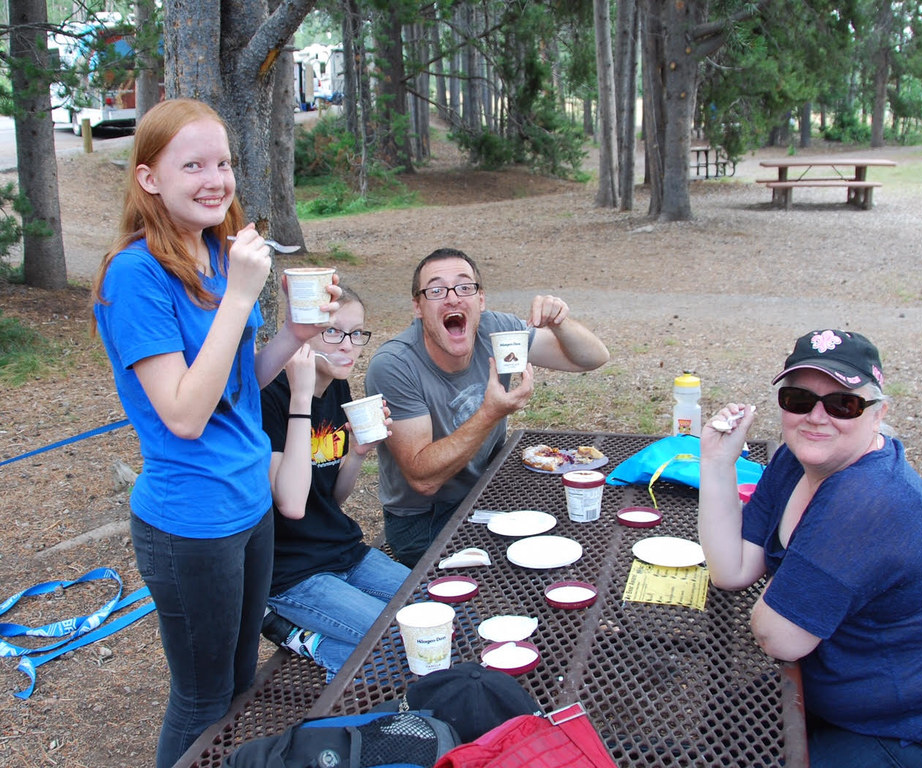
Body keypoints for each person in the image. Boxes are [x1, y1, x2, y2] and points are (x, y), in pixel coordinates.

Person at [92, 98, 338, 768]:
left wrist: (292, 336)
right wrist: (239, 298)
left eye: (223, 163)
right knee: (202, 700)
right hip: (190, 522)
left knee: (238, 686)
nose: (215, 178)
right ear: (149, 179)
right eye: (192, 163)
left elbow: (230, 391)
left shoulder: (216, 256)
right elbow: (182, 413)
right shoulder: (135, 275)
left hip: (248, 504)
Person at [698, 329, 922, 768]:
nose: (816, 417)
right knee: (724, 727)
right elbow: (731, 569)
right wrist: (717, 463)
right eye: (798, 399)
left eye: (843, 404)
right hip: (857, 695)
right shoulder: (795, 460)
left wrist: (794, 580)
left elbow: (777, 636)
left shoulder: (870, 499)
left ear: (878, 414)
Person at [364, 247, 610, 566]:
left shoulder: (497, 332)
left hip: (489, 488)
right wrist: (491, 413)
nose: (453, 298)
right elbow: (423, 480)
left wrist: (560, 323)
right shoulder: (395, 366)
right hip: (425, 523)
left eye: (465, 287)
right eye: (436, 290)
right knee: (523, 567)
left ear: (481, 300)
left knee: (576, 536)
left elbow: (592, 358)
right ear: (418, 307)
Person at [259, 285, 410, 679]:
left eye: (357, 333)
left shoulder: (337, 387)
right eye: (333, 332)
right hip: (291, 571)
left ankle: (322, 645)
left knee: (440, 613)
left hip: (343, 551)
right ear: (304, 333)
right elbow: (288, 502)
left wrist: (358, 453)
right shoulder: (270, 398)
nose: (348, 346)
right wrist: (301, 398)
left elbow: (330, 498)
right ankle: (300, 637)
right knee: (398, 641)